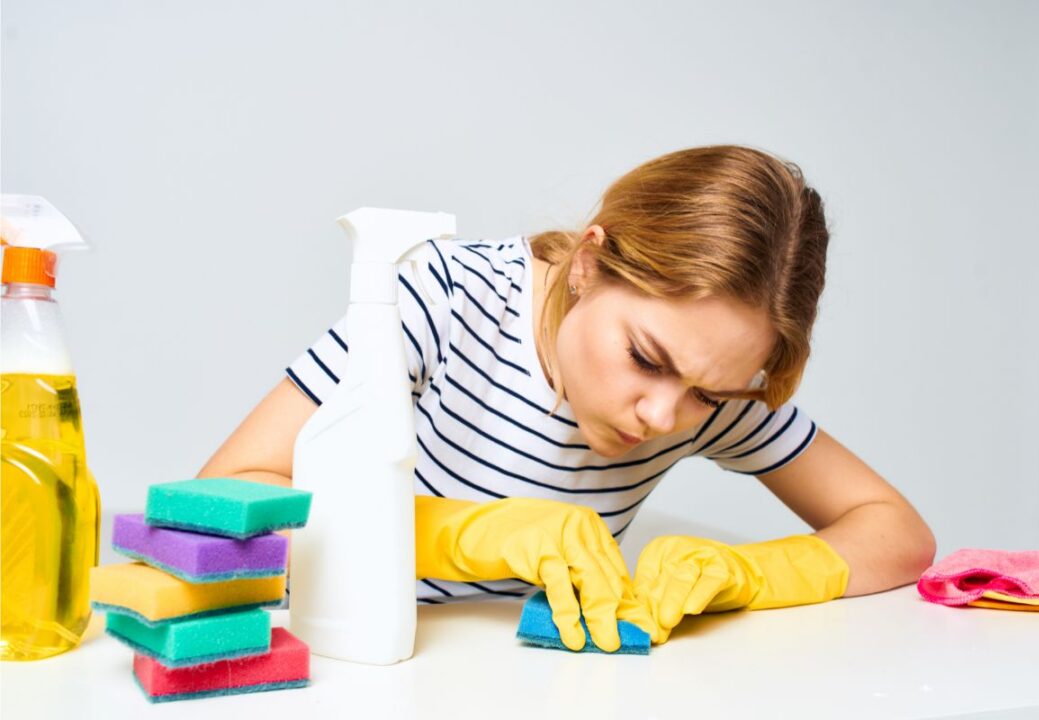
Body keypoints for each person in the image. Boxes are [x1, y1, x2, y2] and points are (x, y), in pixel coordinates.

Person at [197, 145, 937, 653]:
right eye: (645, 358)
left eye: (706, 396)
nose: (662, 416)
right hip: (335, 661)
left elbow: (897, 534)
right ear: (587, 263)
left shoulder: (717, 385)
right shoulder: (446, 299)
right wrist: (464, 533)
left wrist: (745, 574)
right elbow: (221, 496)